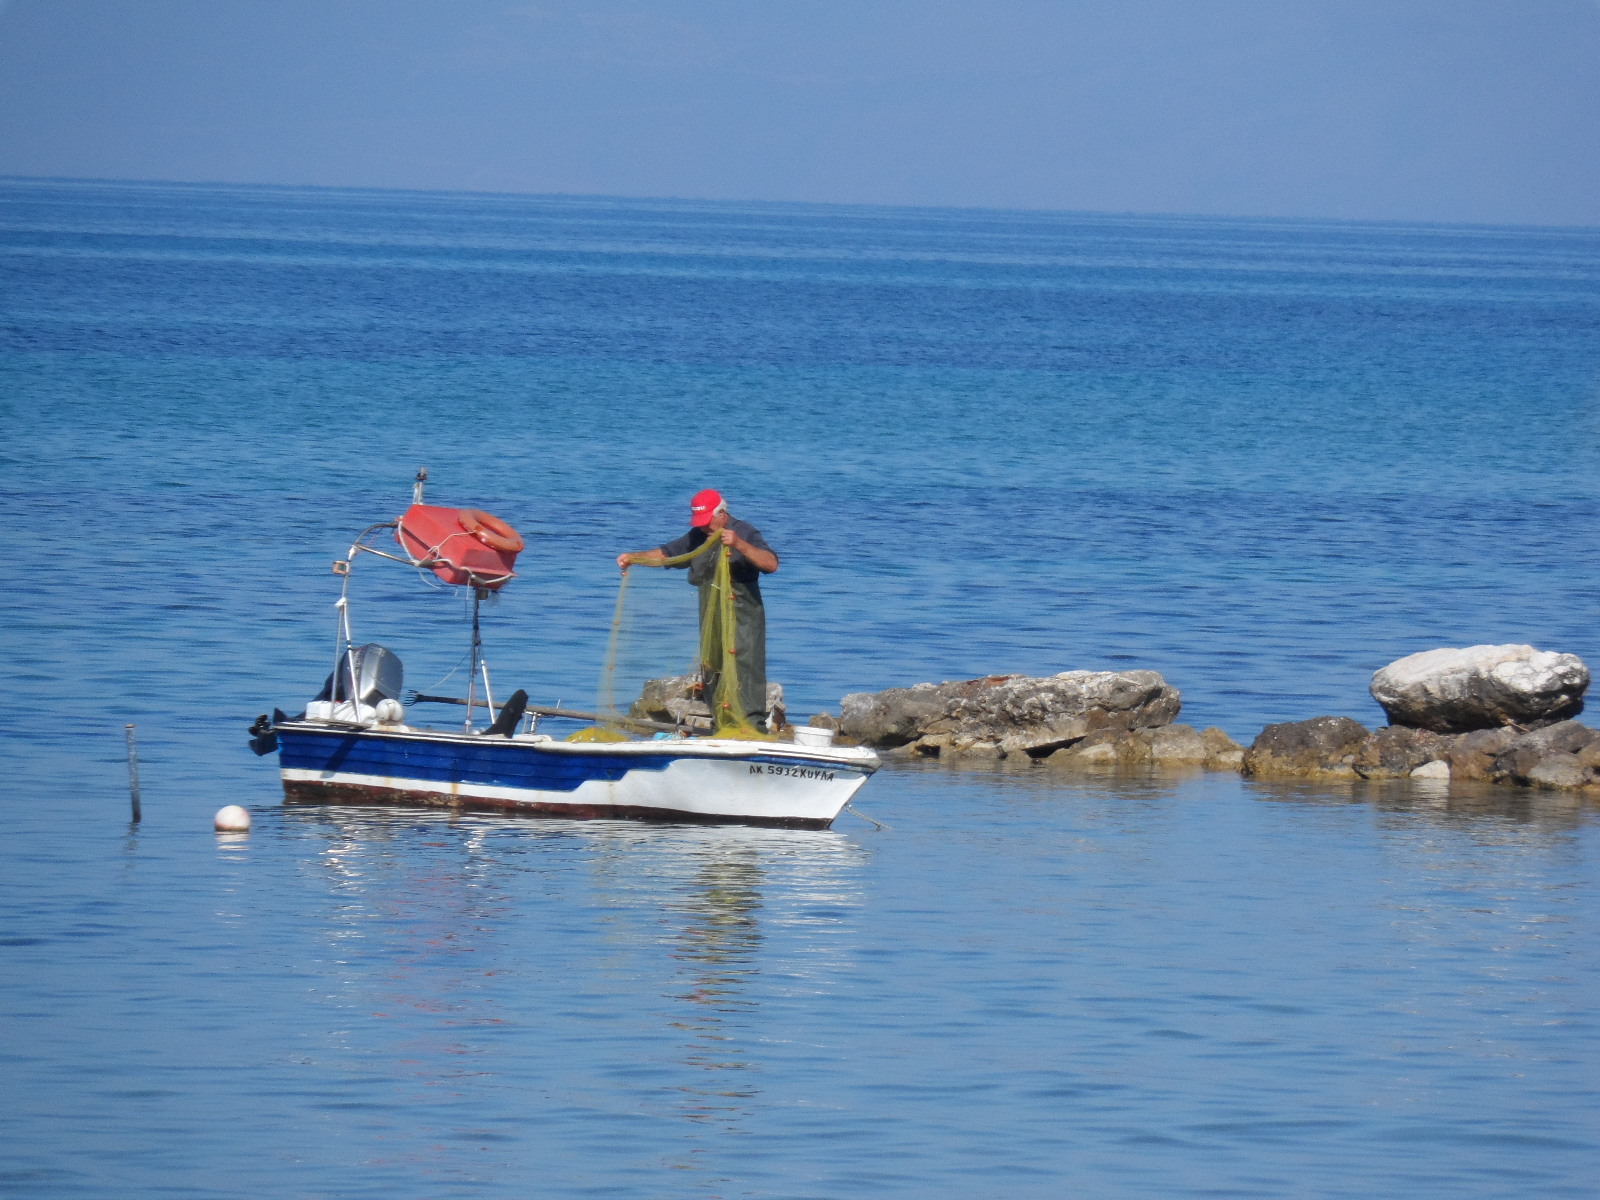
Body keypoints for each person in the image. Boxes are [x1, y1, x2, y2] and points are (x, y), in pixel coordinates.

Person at [617, 489, 779, 729]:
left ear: (722, 514)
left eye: (707, 522)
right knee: (712, 664)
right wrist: (634, 557)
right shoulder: (697, 535)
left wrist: (739, 544)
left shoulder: (744, 531)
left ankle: (751, 722)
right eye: (699, 523)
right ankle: (721, 720)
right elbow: (665, 554)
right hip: (711, 611)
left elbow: (771, 563)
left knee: (745, 662)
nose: (704, 528)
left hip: (744, 610)